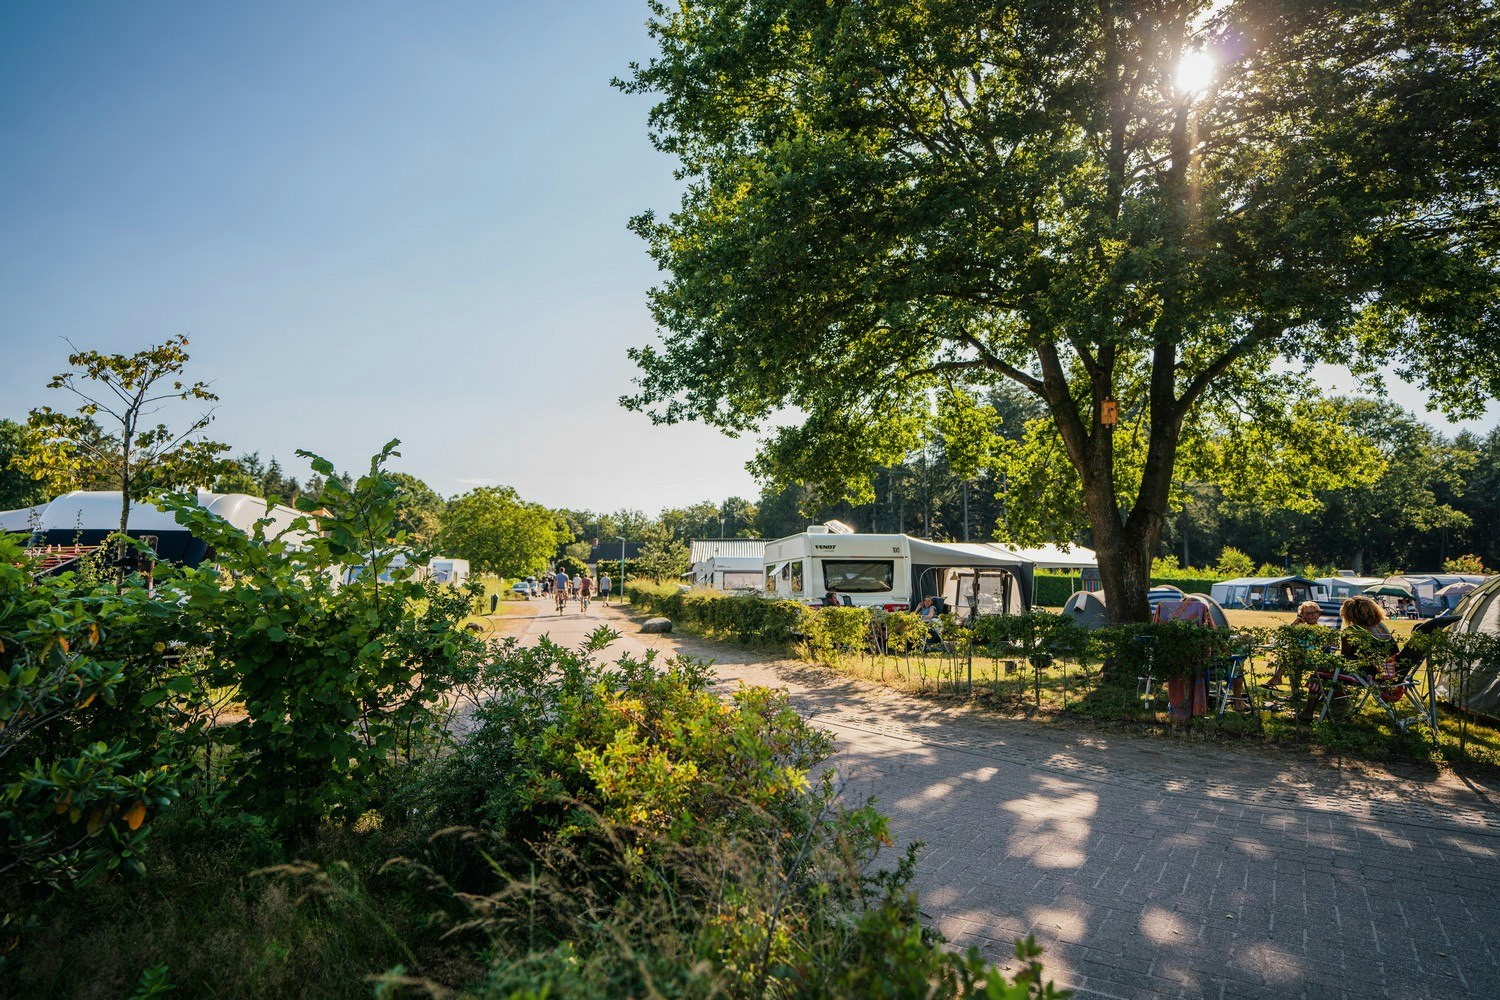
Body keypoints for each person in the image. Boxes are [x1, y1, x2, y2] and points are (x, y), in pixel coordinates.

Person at [1266, 601, 1325, 689]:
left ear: (1319, 614)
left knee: (1294, 657)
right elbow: (1284, 636)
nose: (1310, 616)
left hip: (1312, 658)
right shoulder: (1300, 628)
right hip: (1297, 656)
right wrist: (1296, 622)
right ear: (1302, 615)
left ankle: (1278, 677)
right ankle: (1294, 691)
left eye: (1313, 613)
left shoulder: (1321, 630)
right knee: (1293, 657)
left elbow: (1325, 645)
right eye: (1307, 613)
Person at [1339, 595, 1398, 675]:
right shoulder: (1381, 626)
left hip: (1367, 672)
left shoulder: (1351, 631)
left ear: (1349, 614)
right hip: (1389, 670)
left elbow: (1345, 658)